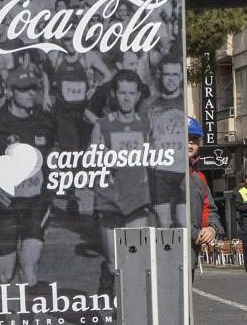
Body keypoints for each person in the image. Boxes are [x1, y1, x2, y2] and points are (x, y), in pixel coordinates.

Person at [0, 63, 54, 287]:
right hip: (4, 204)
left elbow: (54, 157)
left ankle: (26, 319)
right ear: (11, 92)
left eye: (34, 88)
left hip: (36, 202)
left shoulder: (45, 120)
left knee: (29, 270)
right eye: (25, 89)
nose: (32, 93)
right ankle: (5, 318)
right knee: (5, 274)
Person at [90, 69, 152, 292]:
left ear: (137, 95)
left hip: (137, 200)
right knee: (113, 262)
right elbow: (92, 161)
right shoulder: (103, 125)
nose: (126, 98)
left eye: (131, 93)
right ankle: (106, 298)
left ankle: (130, 307)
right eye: (122, 92)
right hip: (109, 200)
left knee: (134, 261)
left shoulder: (145, 124)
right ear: (115, 95)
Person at [148, 57, 187, 229]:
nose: (170, 79)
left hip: (183, 171)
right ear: (159, 76)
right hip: (159, 172)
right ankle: (163, 257)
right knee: (164, 224)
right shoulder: (149, 105)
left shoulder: (187, 102)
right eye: (166, 74)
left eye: (174, 74)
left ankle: (185, 256)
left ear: (180, 76)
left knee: (184, 222)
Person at [187, 117, 223, 280]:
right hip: (167, 254)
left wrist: (212, 228)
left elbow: (211, 210)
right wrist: (194, 233)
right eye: (185, 139)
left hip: (191, 255)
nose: (190, 144)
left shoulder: (199, 177)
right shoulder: (163, 173)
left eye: (194, 139)